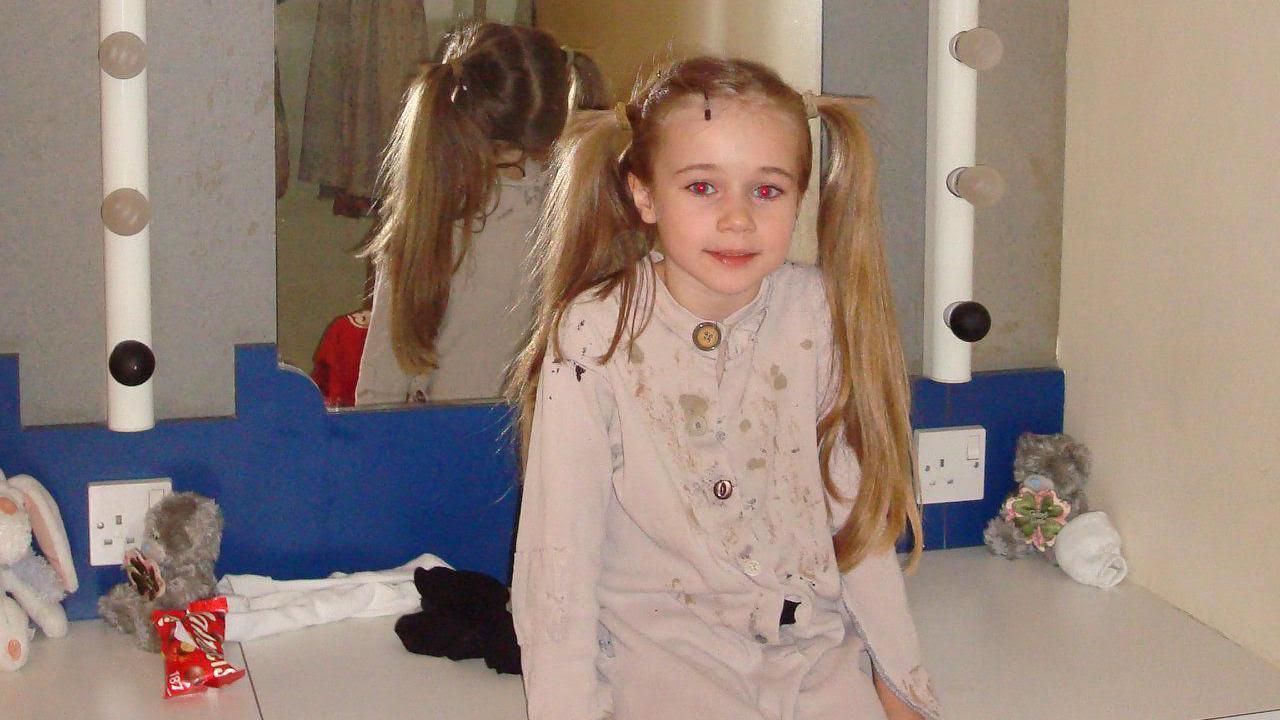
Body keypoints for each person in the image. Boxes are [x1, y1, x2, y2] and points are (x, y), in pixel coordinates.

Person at [506, 56, 940, 720]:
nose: (737, 220)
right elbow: (557, 558)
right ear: (643, 194)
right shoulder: (596, 334)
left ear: (800, 198)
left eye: (766, 191)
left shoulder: (818, 314)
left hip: (812, 652)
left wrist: (901, 677)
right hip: (662, 659)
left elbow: (855, 512)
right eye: (703, 187)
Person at [355, 22, 606, 405]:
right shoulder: (590, 213)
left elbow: (379, 392)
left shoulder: (424, 221)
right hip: (554, 441)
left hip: (451, 446)